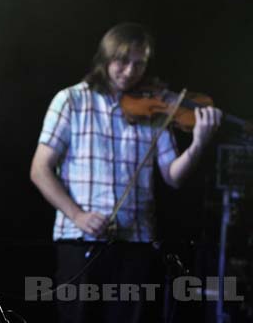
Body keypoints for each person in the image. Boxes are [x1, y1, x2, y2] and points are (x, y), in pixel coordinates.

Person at [29, 22, 222, 323]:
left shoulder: (155, 109)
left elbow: (173, 176)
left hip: (138, 246)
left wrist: (199, 144)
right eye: (122, 61)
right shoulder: (71, 100)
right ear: (105, 58)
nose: (130, 71)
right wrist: (78, 216)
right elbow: (40, 170)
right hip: (79, 242)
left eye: (139, 63)